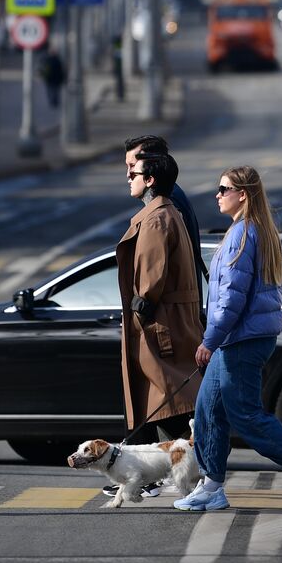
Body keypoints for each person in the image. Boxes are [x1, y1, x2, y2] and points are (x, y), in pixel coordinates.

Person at [173, 166, 282, 514]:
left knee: (244, 414)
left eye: (224, 188)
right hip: (239, 338)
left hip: (241, 339)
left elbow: (231, 298)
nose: (217, 194)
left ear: (242, 194)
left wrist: (209, 340)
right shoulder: (249, 230)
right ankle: (212, 487)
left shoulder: (244, 234)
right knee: (207, 411)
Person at [114, 150, 202, 470]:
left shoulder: (155, 218)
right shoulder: (168, 212)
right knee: (169, 404)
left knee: (172, 404)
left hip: (158, 326)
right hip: (172, 321)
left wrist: (142, 308)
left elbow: (150, 278)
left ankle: (199, 473)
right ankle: (157, 473)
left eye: (134, 173)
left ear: (150, 180)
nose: (128, 177)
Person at [125, 135, 205, 317]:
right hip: (176, 316)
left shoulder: (164, 207)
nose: (128, 175)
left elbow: (153, 277)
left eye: (133, 167)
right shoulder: (170, 197)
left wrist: (140, 312)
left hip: (169, 320)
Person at [38, 45, 65, 109]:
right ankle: (54, 101)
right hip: (55, 79)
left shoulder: (50, 60)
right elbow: (61, 70)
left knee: (51, 91)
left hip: (50, 79)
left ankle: (52, 101)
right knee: (54, 91)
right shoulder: (57, 60)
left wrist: (42, 75)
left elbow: (43, 69)